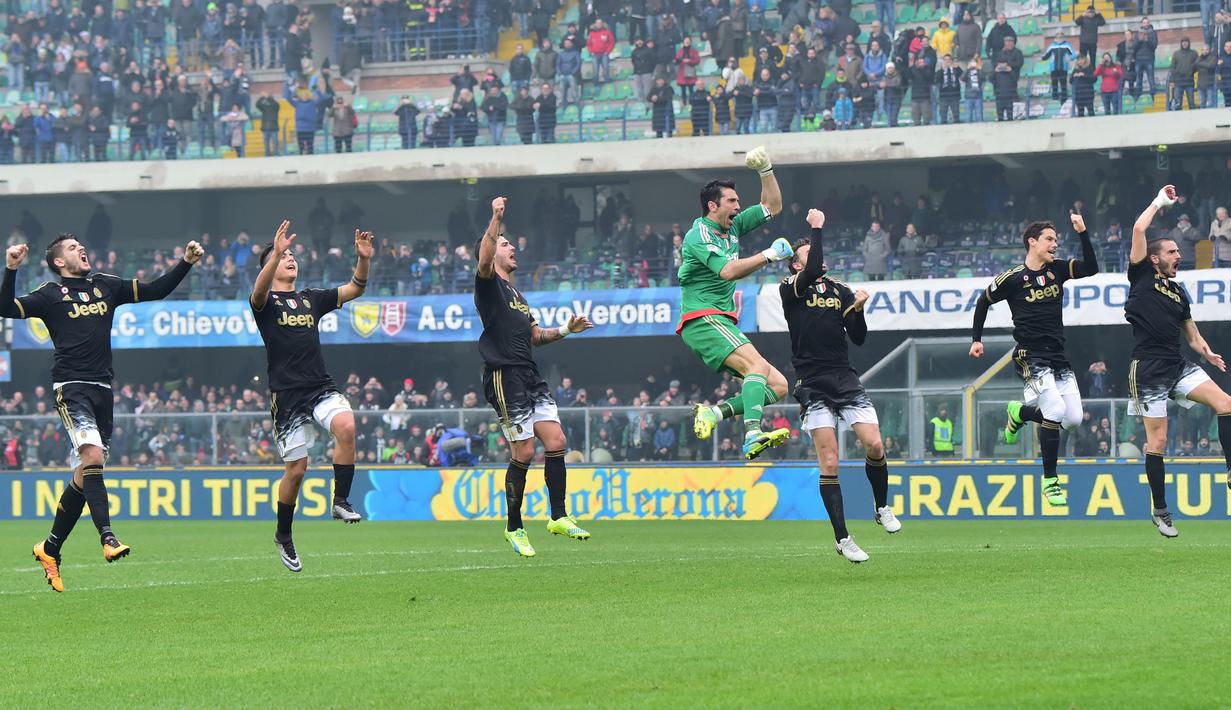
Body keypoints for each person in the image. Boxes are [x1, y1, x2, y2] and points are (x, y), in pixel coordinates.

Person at [4, 234, 203, 592]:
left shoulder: (106, 286)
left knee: (87, 472)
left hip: (103, 391)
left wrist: (186, 262)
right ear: (59, 263)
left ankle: (49, 549)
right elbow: (5, 307)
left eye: (82, 245)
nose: (81, 249)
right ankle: (108, 538)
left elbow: (157, 289)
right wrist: (11, 269)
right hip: (71, 388)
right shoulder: (50, 294)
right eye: (72, 248)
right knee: (92, 456)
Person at [780, 208, 901, 564]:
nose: (819, 258)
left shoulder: (841, 290)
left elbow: (858, 337)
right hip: (812, 381)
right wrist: (815, 229)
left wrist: (859, 308)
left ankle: (881, 507)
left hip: (844, 377)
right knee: (829, 460)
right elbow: (813, 267)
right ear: (796, 265)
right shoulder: (791, 288)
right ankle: (843, 537)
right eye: (810, 255)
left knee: (875, 444)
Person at [474, 197, 594, 557]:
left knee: (556, 440)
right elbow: (482, 259)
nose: (513, 249)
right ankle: (514, 527)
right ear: (495, 251)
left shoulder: (518, 296)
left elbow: (535, 336)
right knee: (524, 450)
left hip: (530, 373)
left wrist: (566, 330)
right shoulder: (488, 285)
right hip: (504, 374)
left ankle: (558, 516)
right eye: (506, 245)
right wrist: (496, 220)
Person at [250, 220, 371, 572]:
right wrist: (273, 252)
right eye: (282, 256)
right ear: (269, 266)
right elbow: (257, 293)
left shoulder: (310, 299)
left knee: (346, 426)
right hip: (286, 395)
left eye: (291, 255)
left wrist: (363, 259)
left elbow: (355, 288)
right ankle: (283, 534)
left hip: (319, 387)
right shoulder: (264, 303)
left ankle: (341, 500)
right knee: (297, 470)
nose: (290, 259)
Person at [1123, 185, 1231, 538]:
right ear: (1154, 258)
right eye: (1171, 251)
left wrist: (1207, 352)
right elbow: (1139, 230)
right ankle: (1161, 510)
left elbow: (1193, 334)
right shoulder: (1140, 275)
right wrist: (1158, 201)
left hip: (1178, 363)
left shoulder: (1179, 291)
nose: (1178, 255)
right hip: (1148, 368)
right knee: (1158, 443)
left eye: (1177, 251)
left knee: (1226, 403)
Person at [970, 214, 1098, 506]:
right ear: (1033, 242)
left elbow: (1091, 267)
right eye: (1050, 239)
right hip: (1030, 354)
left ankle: (1021, 413)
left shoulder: (1059, 270)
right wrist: (977, 339)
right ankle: (1051, 481)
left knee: (1074, 419)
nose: (1055, 244)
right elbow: (982, 301)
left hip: (1058, 355)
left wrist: (1083, 233)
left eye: (1056, 240)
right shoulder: (1013, 278)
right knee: (1053, 407)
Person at [682, 147, 793, 460]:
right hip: (702, 318)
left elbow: (772, 205)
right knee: (758, 366)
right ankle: (753, 433)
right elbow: (728, 270)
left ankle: (714, 415)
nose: (738, 206)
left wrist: (766, 170)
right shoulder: (698, 234)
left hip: (720, 320)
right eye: (732, 201)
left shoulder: (732, 227)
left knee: (779, 385)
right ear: (712, 205)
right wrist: (768, 255)